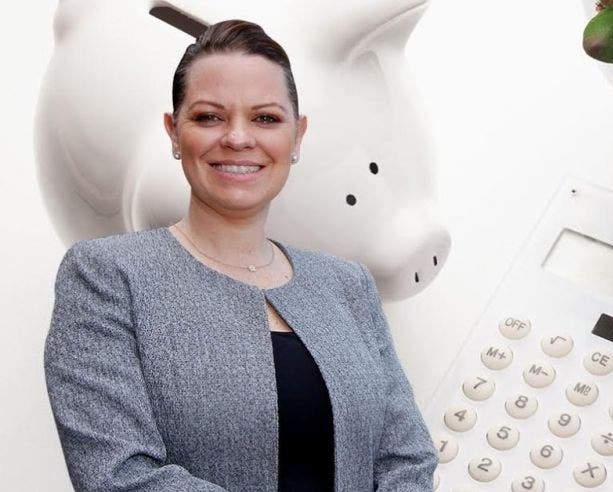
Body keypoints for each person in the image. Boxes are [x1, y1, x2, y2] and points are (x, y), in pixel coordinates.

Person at [43, 19, 436, 491]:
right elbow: (119, 475)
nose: (238, 138)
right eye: (209, 116)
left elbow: (407, 459)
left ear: (297, 136)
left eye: (266, 118)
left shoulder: (346, 285)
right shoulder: (107, 277)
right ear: (173, 132)